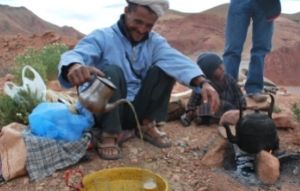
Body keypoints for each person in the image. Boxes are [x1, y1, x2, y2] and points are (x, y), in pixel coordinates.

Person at [58, 0, 220, 160]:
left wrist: (203, 83)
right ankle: (109, 134)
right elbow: (76, 54)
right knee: (111, 71)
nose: (142, 29)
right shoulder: (103, 37)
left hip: (134, 110)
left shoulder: (155, 43)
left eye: (149, 25)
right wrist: (74, 66)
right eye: (138, 22)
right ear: (127, 10)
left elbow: (177, 61)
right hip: (106, 110)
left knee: (164, 69)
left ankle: (146, 125)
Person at [223, 0, 281, 102]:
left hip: (266, 4)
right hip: (240, 2)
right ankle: (229, 89)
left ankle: (254, 88)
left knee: (261, 49)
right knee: (232, 48)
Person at [180, 52, 245, 126]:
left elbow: (239, 95)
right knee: (206, 109)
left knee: (231, 111)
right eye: (218, 68)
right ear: (209, 72)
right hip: (210, 110)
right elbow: (193, 101)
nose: (222, 68)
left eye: (222, 65)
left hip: (230, 108)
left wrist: (242, 105)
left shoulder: (229, 79)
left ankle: (208, 120)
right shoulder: (204, 85)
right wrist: (190, 111)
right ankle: (201, 118)